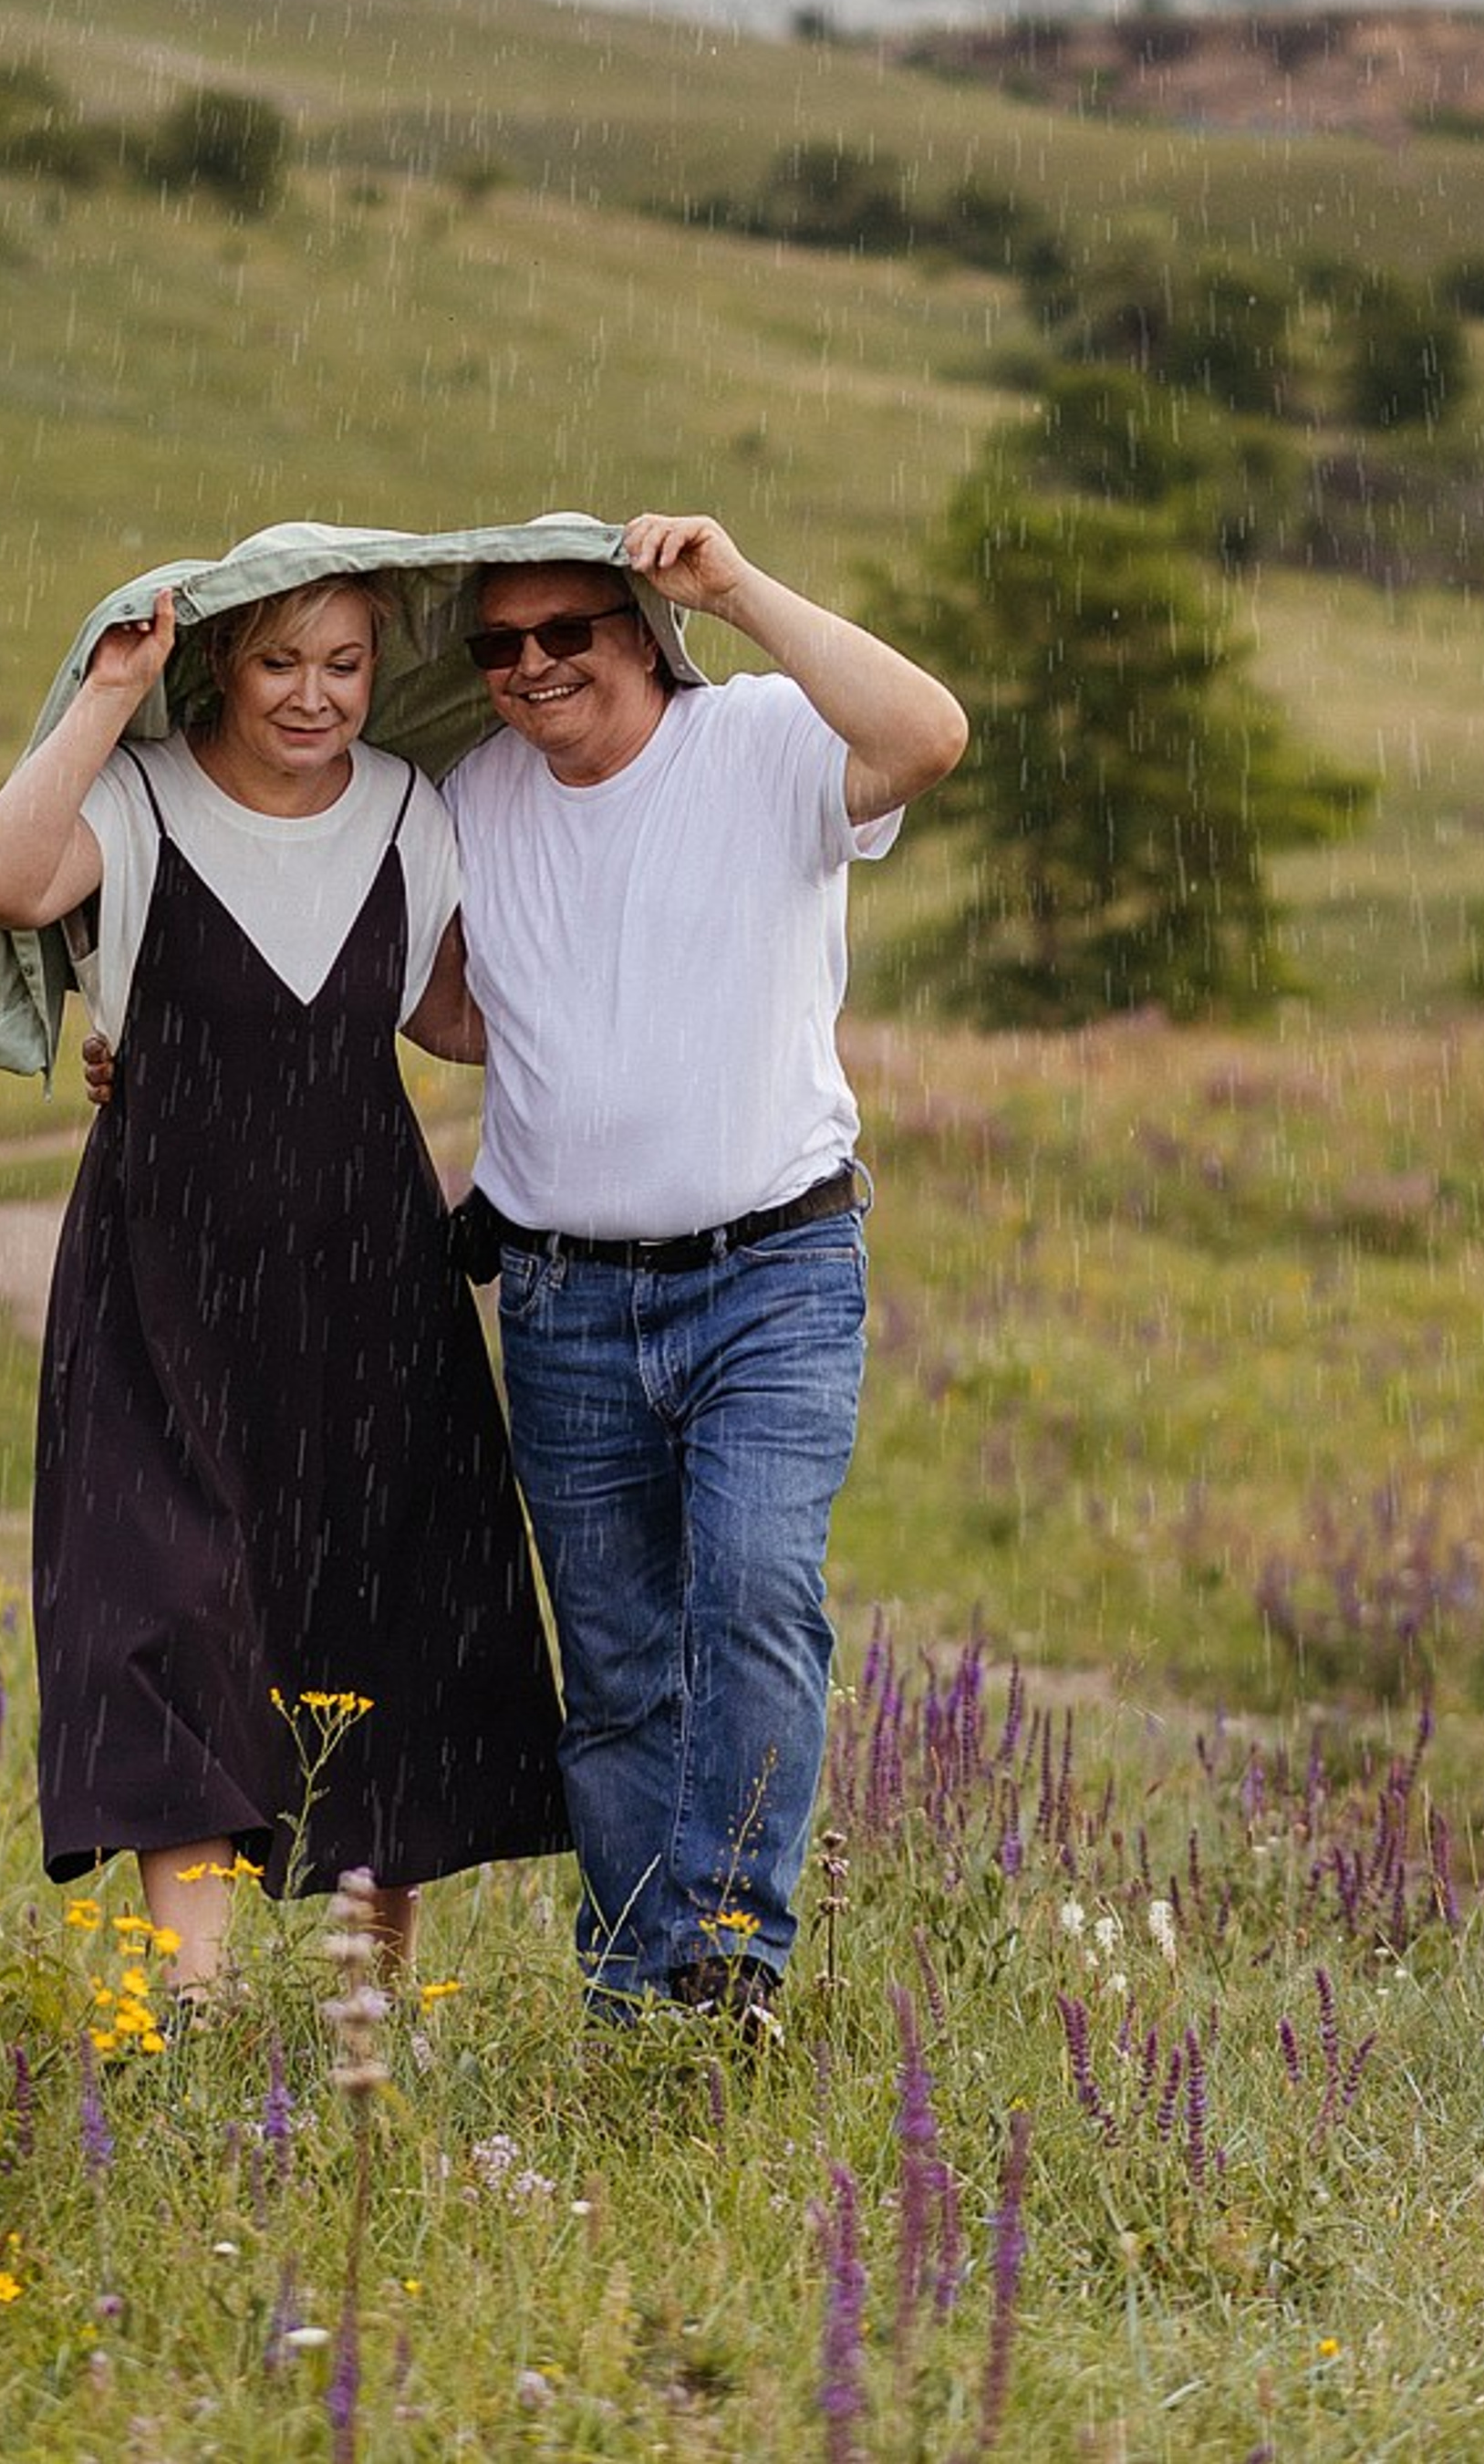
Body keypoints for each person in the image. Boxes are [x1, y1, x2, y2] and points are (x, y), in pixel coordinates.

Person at [416, 510, 967, 2019]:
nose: (531, 667)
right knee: (612, 1666)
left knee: (756, 1592)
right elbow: (439, 1005)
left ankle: (727, 1958)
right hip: (560, 1298)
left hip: (771, 1272)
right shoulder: (473, 795)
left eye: (566, 633)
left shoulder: (763, 741)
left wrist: (732, 588)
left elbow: (929, 736)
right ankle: (633, 1995)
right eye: (498, 646)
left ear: (643, 635)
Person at [0, 573, 566, 1997]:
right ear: (220, 672)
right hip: (161, 1273)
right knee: (164, 1603)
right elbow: (14, 883)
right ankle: (187, 2015)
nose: (315, 696)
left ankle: (374, 2004)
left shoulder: (406, 809)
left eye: (346, 664)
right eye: (278, 664)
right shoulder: (136, 799)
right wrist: (108, 692)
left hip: (370, 1273)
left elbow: (450, 1015)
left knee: (383, 1597)